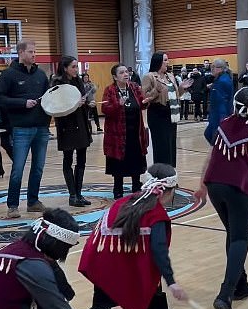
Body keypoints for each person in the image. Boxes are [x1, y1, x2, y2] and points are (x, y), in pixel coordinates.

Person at [195, 86, 248, 309]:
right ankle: (225, 294)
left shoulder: (222, 125)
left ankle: (240, 284)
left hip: (214, 187)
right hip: (238, 189)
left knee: (232, 234)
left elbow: (210, 156)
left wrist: (202, 186)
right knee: (240, 238)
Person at [78, 163, 187, 309]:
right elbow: (159, 251)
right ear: (168, 191)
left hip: (101, 258)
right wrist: (172, 282)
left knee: (148, 273)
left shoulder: (128, 201)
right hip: (109, 264)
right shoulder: (155, 214)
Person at [0, 40, 50, 219]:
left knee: (39, 168)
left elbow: (49, 98)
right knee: (18, 169)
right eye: (30, 52)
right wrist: (22, 103)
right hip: (20, 129)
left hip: (41, 128)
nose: (34, 55)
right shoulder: (8, 75)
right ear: (20, 52)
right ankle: (12, 205)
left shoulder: (41, 75)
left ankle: (33, 201)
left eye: (35, 52)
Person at [51, 56, 94, 207]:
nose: (76, 69)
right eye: (73, 67)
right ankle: (72, 195)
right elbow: (56, 106)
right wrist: (75, 104)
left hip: (80, 122)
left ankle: (79, 193)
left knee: (81, 159)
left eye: (77, 66)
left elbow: (82, 101)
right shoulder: (57, 83)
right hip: (66, 125)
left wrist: (88, 103)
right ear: (65, 68)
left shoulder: (78, 81)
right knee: (68, 159)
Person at [102, 63, 148, 199]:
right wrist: (118, 104)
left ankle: (136, 185)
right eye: (121, 73)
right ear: (115, 77)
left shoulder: (134, 87)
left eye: (127, 72)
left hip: (135, 132)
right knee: (118, 163)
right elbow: (105, 109)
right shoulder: (109, 90)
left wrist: (148, 99)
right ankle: (118, 189)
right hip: (117, 134)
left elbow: (142, 104)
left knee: (136, 159)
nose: (126, 75)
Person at [142, 52, 193, 167]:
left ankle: (170, 172)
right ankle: (161, 174)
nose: (167, 62)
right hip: (157, 113)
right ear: (158, 61)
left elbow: (176, 95)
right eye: (165, 60)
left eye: (167, 60)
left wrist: (182, 88)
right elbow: (144, 98)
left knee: (170, 144)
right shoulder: (149, 76)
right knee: (161, 145)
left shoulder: (170, 76)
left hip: (171, 114)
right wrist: (156, 90)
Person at [204, 59, 234, 144]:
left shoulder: (222, 81)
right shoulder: (220, 79)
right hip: (215, 116)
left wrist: (223, 120)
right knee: (209, 135)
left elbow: (222, 102)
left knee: (214, 139)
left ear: (221, 68)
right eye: (211, 67)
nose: (211, 69)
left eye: (213, 67)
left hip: (219, 117)